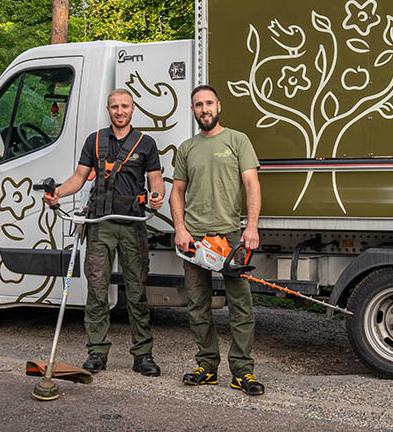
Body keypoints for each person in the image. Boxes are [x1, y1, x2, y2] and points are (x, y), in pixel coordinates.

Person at [49, 89, 165, 377]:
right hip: (100, 224)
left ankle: (143, 354)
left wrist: (157, 196)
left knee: (137, 291)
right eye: (114, 106)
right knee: (97, 290)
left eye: (124, 106)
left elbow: (156, 180)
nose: (119, 111)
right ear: (108, 109)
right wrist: (57, 194)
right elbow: (78, 177)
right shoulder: (95, 140)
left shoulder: (146, 143)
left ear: (132, 109)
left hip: (133, 224)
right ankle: (97, 352)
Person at [170, 84, 265, 396]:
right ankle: (207, 367)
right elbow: (177, 192)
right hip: (194, 241)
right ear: (193, 110)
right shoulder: (186, 148)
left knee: (241, 306)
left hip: (230, 237)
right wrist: (180, 230)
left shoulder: (237, 140)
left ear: (218, 106)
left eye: (209, 103)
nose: (204, 109)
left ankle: (242, 371)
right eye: (198, 105)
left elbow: (251, 185)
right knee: (198, 306)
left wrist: (251, 227)